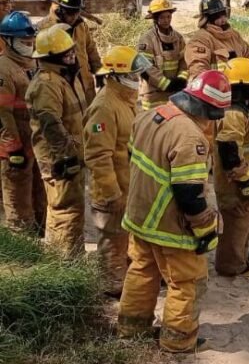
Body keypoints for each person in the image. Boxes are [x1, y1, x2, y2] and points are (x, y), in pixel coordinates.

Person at [118, 71, 231, 353]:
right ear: (206, 109)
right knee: (186, 282)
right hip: (169, 226)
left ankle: (132, 328)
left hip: (139, 216)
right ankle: (178, 341)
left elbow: (133, 158)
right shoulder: (190, 137)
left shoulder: (151, 114)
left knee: (142, 271)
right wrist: (206, 231)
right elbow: (189, 195)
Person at [84, 46, 150, 298]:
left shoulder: (125, 101)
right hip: (111, 191)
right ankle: (111, 288)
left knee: (125, 238)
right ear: (115, 76)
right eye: (133, 75)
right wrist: (111, 193)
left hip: (127, 186)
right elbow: (98, 156)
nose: (137, 80)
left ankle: (125, 279)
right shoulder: (104, 107)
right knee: (112, 240)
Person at [26, 26, 87, 256]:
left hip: (71, 155)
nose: (72, 56)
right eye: (66, 54)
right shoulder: (47, 84)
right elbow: (51, 125)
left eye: (72, 51)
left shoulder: (66, 77)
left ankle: (67, 255)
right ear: (52, 57)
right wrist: (66, 157)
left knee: (71, 209)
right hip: (59, 160)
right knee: (65, 211)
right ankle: (64, 262)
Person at [213, 58, 249, 278]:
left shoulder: (240, 109)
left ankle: (241, 253)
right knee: (236, 222)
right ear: (244, 86)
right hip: (236, 185)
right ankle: (231, 264)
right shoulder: (234, 113)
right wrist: (244, 182)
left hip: (246, 181)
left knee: (246, 220)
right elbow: (229, 150)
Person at [0, 12, 45, 234]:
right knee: (17, 193)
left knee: (39, 191)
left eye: (31, 41)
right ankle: (21, 243)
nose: (29, 45)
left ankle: (40, 231)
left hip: (34, 139)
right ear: (8, 41)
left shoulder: (32, 63)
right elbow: (2, 113)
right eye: (24, 42)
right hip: (15, 143)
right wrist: (12, 147)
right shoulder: (4, 68)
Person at [38, 0, 101, 105]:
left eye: (77, 12)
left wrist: (99, 71)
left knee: (93, 123)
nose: (75, 17)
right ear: (60, 9)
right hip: (63, 89)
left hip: (86, 85)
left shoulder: (81, 25)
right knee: (73, 121)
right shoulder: (45, 29)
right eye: (71, 13)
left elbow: (90, 48)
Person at [137, 0, 188, 110]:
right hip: (153, 96)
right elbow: (144, 68)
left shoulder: (178, 38)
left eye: (168, 16)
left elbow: (184, 61)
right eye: (162, 17)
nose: (166, 20)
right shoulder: (147, 40)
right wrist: (165, 84)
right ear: (155, 19)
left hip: (175, 94)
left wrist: (181, 79)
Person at [185, 0, 249, 80]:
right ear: (207, 19)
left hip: (239, 85)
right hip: (214, 89)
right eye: (217, 17)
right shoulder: (200, 39)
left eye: (224, 15)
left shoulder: (234, 35)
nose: (223, 20)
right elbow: (198, 69)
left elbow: (248, 57)